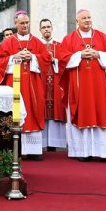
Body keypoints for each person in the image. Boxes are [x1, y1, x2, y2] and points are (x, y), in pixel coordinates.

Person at [58, 9, 106, 162]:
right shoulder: (69, 39)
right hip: (80, 88)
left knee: (101, 113)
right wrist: (80, 55)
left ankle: (104, 152)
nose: (87, 20)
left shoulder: (100, 36)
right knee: (83, 112)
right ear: (76, 22)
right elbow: (62, 57)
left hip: (100, 86)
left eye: (89, 18)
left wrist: (99, 54)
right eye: (83, 18)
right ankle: (82, 152)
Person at [0, 11, 51, 160]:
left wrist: (33, 57)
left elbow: (46, 59)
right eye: (22, 23)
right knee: (15, 112)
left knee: (34, 108)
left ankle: (33, 151)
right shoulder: (8, 42)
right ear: (16, 24)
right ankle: (15, 149)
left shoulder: (37, 42)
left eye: (27, 23)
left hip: (33, 83)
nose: (25, 25)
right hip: (15, 83)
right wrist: (14, 57)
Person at [38, 18, 66, 150]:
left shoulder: (59, 45)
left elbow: (65, 63)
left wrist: (55, 61)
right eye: (43, 27)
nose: (46, 29)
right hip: (41, 82)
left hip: (56, 83)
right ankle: (42, 142)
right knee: (41, 108)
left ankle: (54, 143)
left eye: (48, 26)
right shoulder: (37, 45)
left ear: (52, 28)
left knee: (56, 108)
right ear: (40, 30)